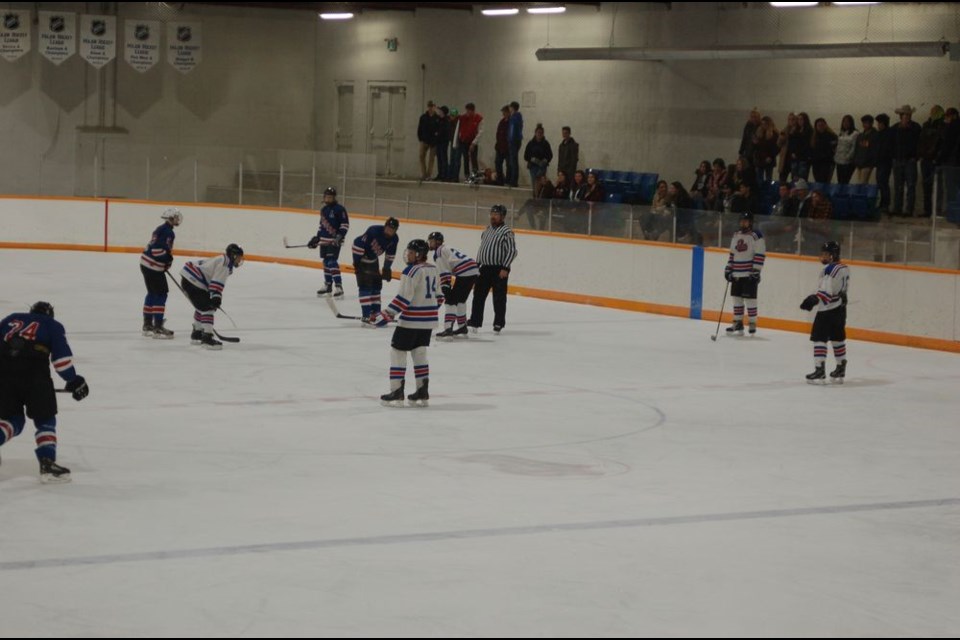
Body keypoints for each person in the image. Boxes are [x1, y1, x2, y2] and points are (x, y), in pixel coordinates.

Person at [0, 301, 89, 483]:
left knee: (12, 419)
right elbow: (62, 361)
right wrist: (73, 380)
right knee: (45, 418)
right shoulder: (52, 325)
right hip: (35, 375)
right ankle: (47, 462)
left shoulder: (11, 319)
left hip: (3, 374)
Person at [376, 239, 440, 408]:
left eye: (411, 252)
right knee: (419, 353)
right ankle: (422, 391)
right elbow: (439, 297)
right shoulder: (434, 269)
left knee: (397, 353)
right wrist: (426, 310)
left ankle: (396, 392)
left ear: (419, 255)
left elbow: (403, 298)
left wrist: (386, 315)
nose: (408, 255)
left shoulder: (411, 271)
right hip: (428, 323)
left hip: (410, 323)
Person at [800, 241, 849, 383]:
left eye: (826, 254)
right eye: (822, 254)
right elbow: (841, 291)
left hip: (827, 310)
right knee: (837, 338)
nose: (823, 257)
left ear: (834, 255)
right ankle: (841, 367)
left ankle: (819, 370)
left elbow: (826, 293)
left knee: (819, 338)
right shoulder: (844, 268)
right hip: (840, 310)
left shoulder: (830, 269)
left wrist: (813, 299)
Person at [180, 244, 245, 350]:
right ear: (233, 256)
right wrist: (216, 297)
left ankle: (197, 333)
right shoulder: (225, 263)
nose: (240, 260)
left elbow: (213, 281)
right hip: (194, 281)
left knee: (201, 306)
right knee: (208, 308)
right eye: (238, 257)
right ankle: (207, 338)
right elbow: (216, 283)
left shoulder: (223, 259)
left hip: (190, 279)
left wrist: (215, 296)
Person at [468, 204, 518, 334]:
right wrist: (476, 265)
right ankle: (475, 321)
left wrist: (505, 268)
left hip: (499, 269)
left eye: (496, 214)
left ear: (502, 216)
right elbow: (482, 248)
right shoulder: (487, 229)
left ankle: (498, 323)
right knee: (478, 295)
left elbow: (512, 251)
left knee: (499, 298)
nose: (493, 216)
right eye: (492, 214)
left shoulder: (507, 231)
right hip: (484, 269)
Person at [140, 207, 182, 339]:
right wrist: (168, 260)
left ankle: (147, 325)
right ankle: (157, 327)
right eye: (175, 217)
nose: (177, 219)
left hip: (146, 264)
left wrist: (166, 261)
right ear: (170, 218)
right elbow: (157, 251)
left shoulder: (161, 228)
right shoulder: (168, 232)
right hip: (153, 267)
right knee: (161, 294)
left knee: (152, 293)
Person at [428, 231, 479, 338]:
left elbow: (444, 270)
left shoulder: (438, 252)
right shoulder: (446, 248)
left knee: (450, 301)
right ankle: (462, 327)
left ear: (437, 242)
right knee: (460, 300)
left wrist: (446, 285)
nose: (430, 243)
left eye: (432, 241)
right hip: (473, 269)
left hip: (464, 272)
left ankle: (448, 329)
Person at [724, 212, 766, 336]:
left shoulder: (756, 236)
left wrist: (756, 271)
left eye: (746, 221)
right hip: (736, 273)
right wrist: (728, 268)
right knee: (737, 299)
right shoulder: (736, 235)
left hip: (749, 273)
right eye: (741, 221)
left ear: (751, 222)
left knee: (750, 299)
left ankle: (752, 322)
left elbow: (760, 254)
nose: (743, 223)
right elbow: (732, 253)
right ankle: (737, 322)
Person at [352, 217, 399, 323]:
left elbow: (390, 254)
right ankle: (366, 314)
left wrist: (387, 268)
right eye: (388, 228)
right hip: (360, 253)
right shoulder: (373, 230)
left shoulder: (394, 239)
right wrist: (357, 263)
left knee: (376, 284)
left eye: (392, 230)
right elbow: (360, 245)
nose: (390, 231)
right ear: (385, 226)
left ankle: (376, 313)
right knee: (365, 284)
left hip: (373, 258)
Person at [308, 187, 350, 298]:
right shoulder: (323, 210)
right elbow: (321, 226)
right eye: (326, 197)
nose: (328, 199)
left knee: (332, 262)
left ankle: (338, 286)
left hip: (334, 241)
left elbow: (345, 225)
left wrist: (340, 236)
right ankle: (328, 285)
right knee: (326, 262)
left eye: (330, 197)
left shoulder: (339, 209)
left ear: (334, 198)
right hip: (324, 241)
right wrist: (317, 238)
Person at [523, 123, 553, 195]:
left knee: (540, 183)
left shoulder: (546, 143)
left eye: (541, 133)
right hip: (533, 166)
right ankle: (535, 196)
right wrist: (531, 159)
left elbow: (550, 155)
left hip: (542, 166)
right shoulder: (530, 143)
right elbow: (526, 155)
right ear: (535, 133)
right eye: (538, 132)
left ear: (543, 134)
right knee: (534, 183)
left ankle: (540, 196)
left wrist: (546, 160)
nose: (539, 134)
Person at [417, 100, 441, 181]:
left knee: (431, 159)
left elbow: (439, 130)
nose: (431, 108)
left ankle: (428, 175)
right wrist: (420, 138)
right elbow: (420, 128)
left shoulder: (437, 118)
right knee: (421, 156)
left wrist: (436, 139)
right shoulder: (423, 117)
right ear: (428, 107)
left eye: (432, 106)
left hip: (433, 142)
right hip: (424, 140)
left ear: (434, 107)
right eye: (429, 106)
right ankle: (424, 174)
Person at [507, 101, 523, 187]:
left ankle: (514, 180)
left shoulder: (514, 117)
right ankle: (513, 179)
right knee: (513, 161)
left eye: (510, 107)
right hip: (515, 141)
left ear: (512, 107)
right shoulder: (517, 117)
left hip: (514, 141)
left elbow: (512, 131)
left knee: (513, 161)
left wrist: (510, 140)